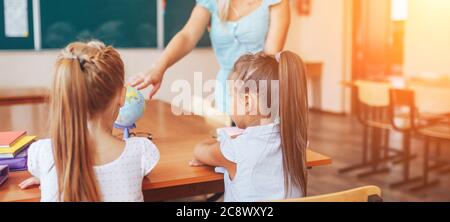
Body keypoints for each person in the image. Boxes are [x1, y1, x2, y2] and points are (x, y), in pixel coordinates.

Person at [19, 41, 160, 202]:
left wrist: (47, 176)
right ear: (122, 96)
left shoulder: (43, 153)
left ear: (65, 97)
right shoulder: (141, 151)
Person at [190, 51, 309, 202]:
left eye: (231, 96)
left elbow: (199, 150)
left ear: (247, 102)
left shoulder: (235, 148)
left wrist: (219, 148)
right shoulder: (296, 142)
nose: (230, 103)